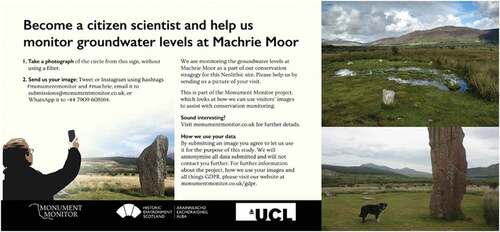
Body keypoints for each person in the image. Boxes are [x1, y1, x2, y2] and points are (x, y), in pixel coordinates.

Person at [3, 137, 81, 200]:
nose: (31, 153)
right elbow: (67, 173)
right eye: (30, 150)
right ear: (25, 155)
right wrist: (74, 149)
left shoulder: (8, 180)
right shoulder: (32, 182)